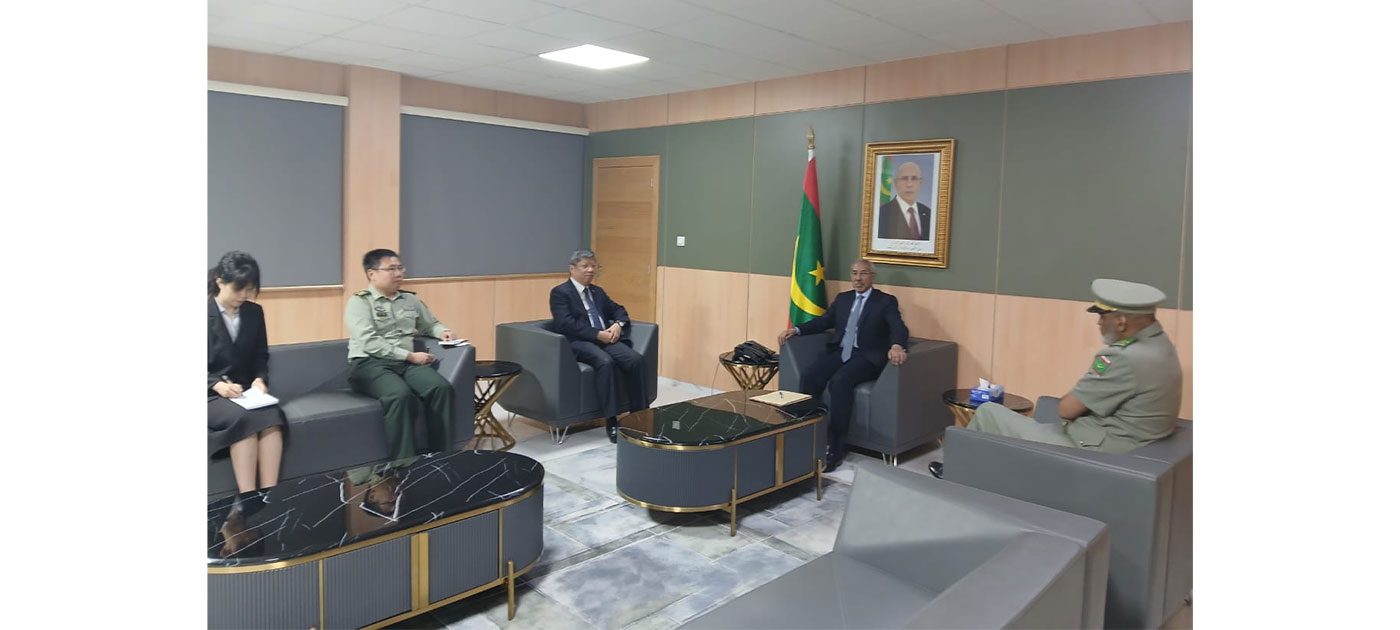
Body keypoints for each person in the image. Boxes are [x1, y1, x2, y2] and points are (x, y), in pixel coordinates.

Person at [933, 278, 1183, 478]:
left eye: (1102, 316)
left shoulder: (1121, 356)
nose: (1099, 323)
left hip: (1094, 447)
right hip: (1129, 443)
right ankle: (987, 477)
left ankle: (957, 474)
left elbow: (1067, 409)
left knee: (988, 412)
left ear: (1120, 321)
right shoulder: (1160, 345)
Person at [778, 259, 909, 471]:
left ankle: (836, 447)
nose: (858, 278)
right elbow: (824, 322)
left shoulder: (885, 301)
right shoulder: (843, 299)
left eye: (863, 273)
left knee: (840, 382)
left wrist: (896, 345)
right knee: (811, 375)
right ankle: (807, 433)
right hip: (840, 352)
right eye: (854, 273)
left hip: (867, 356)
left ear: (872, 276)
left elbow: (898, 327)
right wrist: (797, 330)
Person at [345, 249, 459, 461]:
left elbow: (430, 324)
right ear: (372, 274)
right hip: (369, 364)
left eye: (400, 268)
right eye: (391, 269)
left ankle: (441, 456)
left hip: (405, 363)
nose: (398, 273)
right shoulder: (359, 302)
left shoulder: (409, 299)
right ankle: (403, 464)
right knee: (399, 395)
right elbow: (369, 342)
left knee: (440, 388)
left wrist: (442, 332)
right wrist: (410, 356)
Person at [208, 251, 286, 501]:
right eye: (238, 288)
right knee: (245, 420)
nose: (243, 295)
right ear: (220, 281)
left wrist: (260, 379)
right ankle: (248, 498)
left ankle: (270, 496)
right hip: (210, 395)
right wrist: (216, 385)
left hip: (244, 392)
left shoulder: (254, 312)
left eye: (249, 289)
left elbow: (260, 356)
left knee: (272, 416)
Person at [548, 249, 647, 443]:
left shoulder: (597, 292)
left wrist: (618, 324)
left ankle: (639, 415)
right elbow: (565, 324)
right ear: (572, 269)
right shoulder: (560, 292)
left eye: (593, 266)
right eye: (585, 266)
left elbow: (618, 309)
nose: (590, 270)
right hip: (579, 342)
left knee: (635, 360)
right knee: (605, 362)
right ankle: (611, 420)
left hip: (605, 338)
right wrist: (596, 334)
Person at [877, 161, 933, 240]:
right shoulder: (882, 214)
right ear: (896, 184)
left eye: (914, 178)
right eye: (904, 178)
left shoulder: (929, 214)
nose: (909, 184)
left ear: (920, 183)